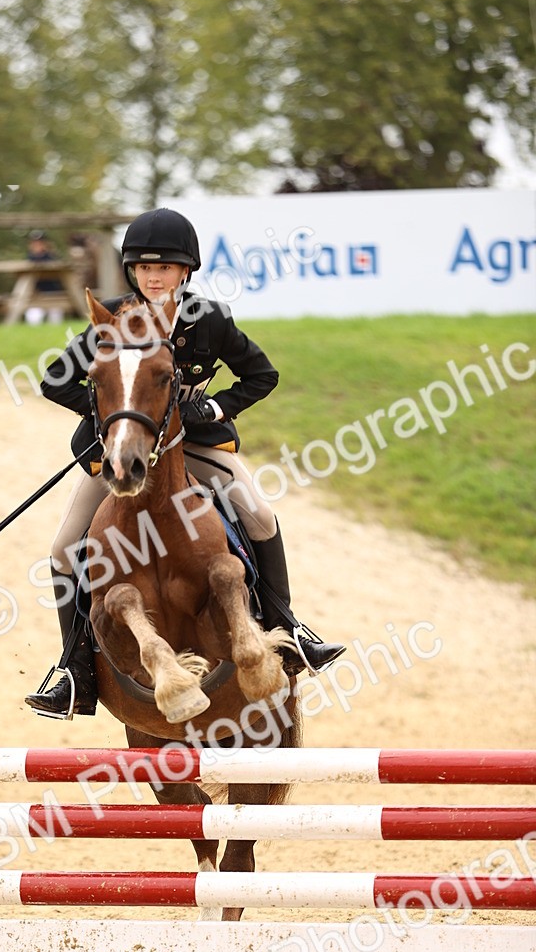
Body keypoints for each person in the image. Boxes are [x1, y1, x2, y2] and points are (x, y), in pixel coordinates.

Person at [24, 207, 345, 718]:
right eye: (145, 267)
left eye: (166, 267)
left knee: (259, 514)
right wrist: (117, 408)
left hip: (190, 444)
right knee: (64, 546)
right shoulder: (110, 319)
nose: (155, 276)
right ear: (132, 270)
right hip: (123, 450)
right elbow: (54, 382)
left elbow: (262, 375)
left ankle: (290, 626)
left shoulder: (209, 319)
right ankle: (74, 668)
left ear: (185, 272)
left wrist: (213, 407)